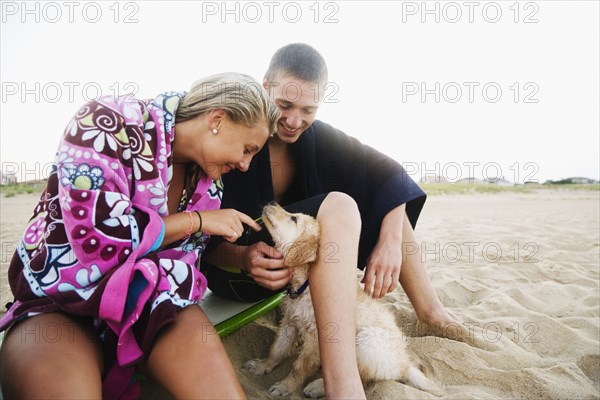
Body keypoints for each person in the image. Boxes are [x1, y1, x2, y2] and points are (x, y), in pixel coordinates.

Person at [0, 72, 280, 399]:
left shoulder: (210, 185)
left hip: (151, 299)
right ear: (217, 119)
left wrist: (242, 255)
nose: (246, 165)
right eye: (247, 149)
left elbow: (180, 268)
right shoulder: (105, 121)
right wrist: (196, 221)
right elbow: (98, 237)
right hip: (62, 300)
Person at [202, 44, 459, 398]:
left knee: (386, 202)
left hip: (305, 273)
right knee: (338, 204)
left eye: (308, 109)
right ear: (266, 88)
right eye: (285, 106)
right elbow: (196, 237)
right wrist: (242, 258)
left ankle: (433, 313)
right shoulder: (235, 133)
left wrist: (389, 242)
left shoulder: (316, 137)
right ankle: (345, 385)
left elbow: (389, 172)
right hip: (240, 274)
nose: (294, 121)